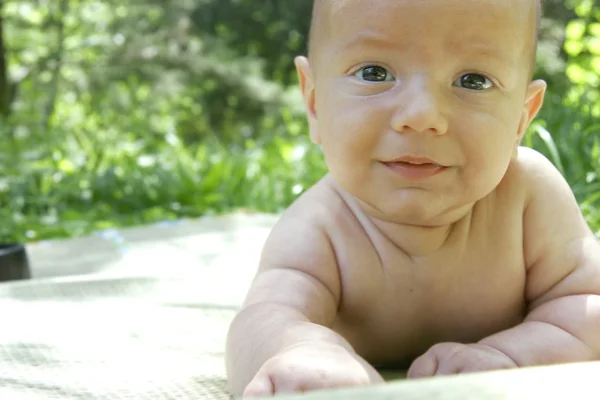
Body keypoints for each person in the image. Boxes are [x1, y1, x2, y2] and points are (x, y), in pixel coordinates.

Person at [226, 0, 600, 397]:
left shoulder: (529, 196)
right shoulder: (319, 228)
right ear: (315, 103)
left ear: (522, 118)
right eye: (374, 73)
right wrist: (303, 351)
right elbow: (261, 320)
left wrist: (512, 357)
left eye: (473, 80)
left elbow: (588, 306)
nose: (422, 115)